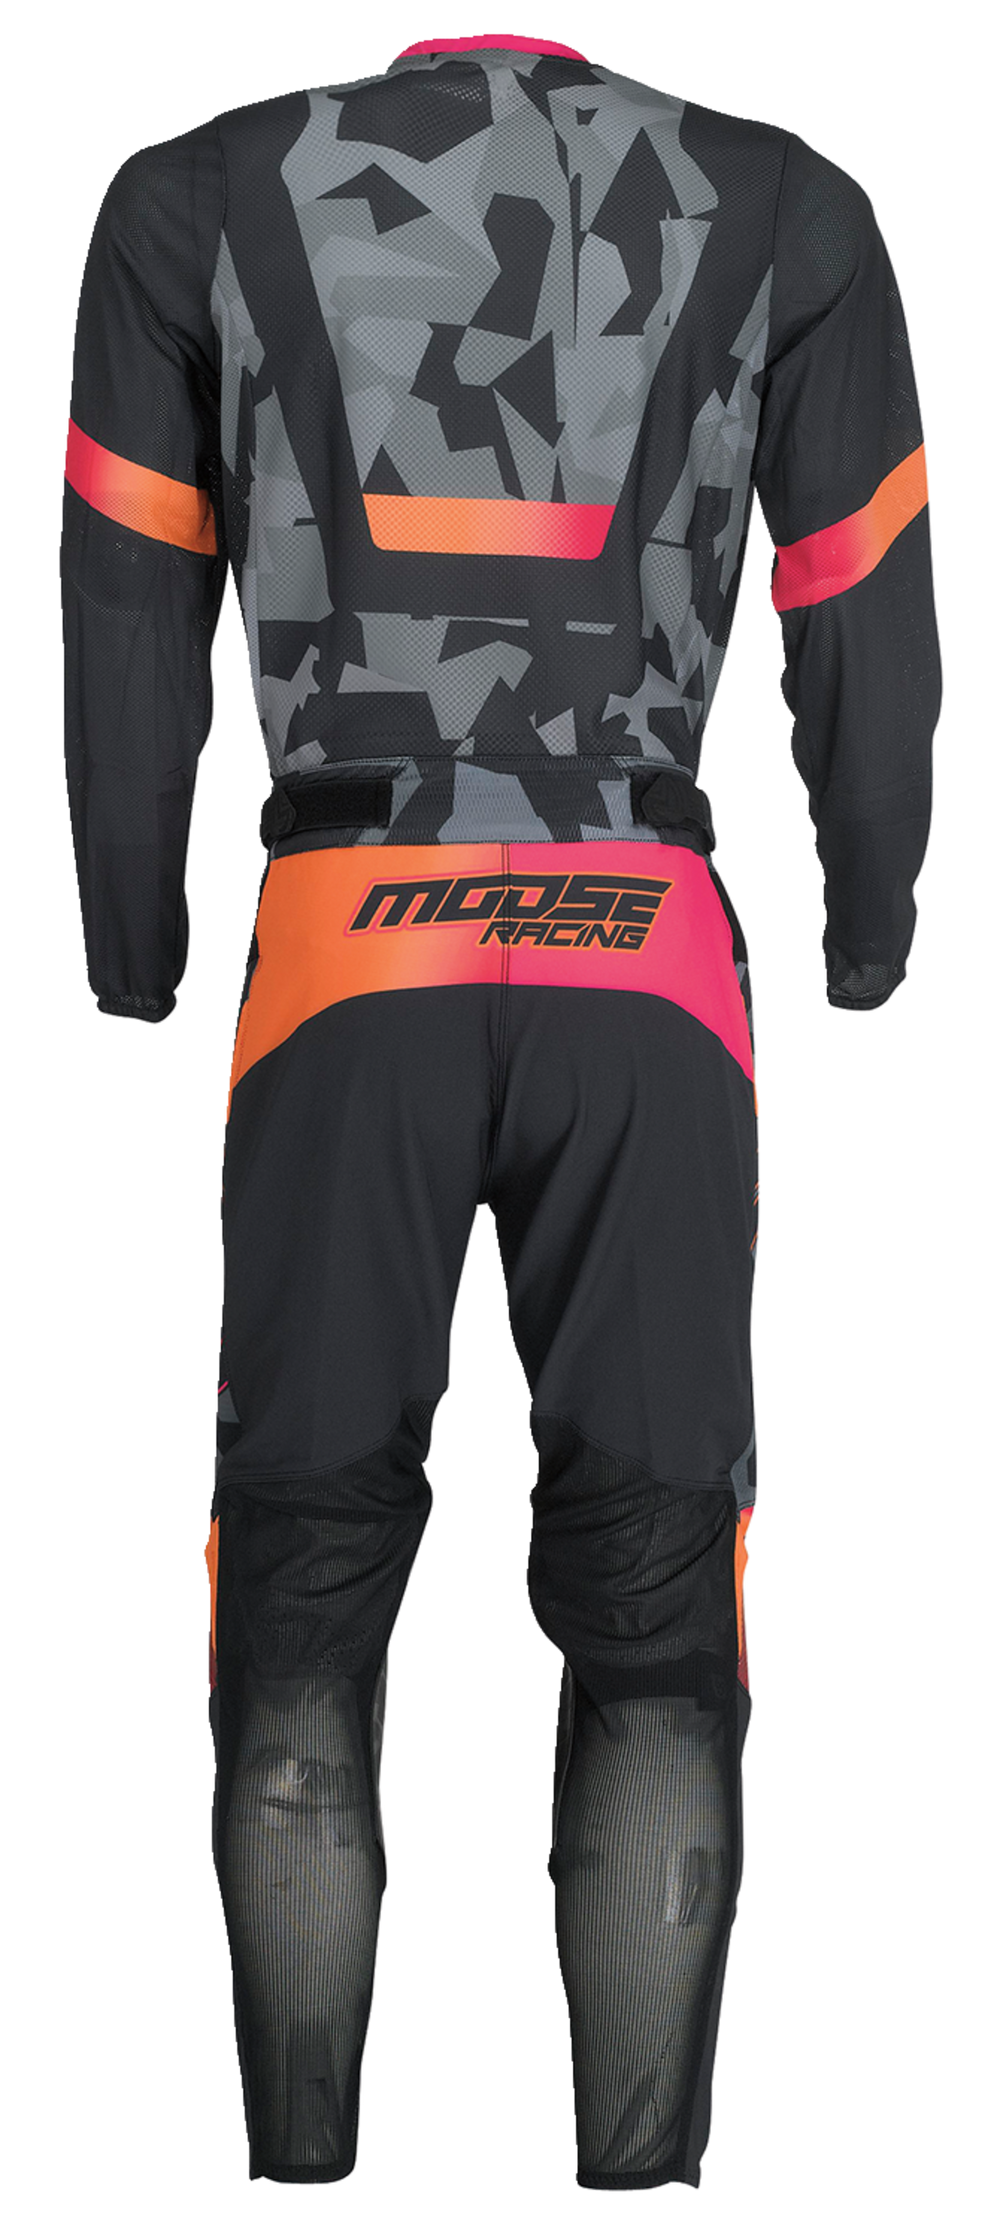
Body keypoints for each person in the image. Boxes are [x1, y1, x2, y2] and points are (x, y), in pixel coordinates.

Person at [60, 30, 943, 2191]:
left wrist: (132, 947)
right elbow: (865, 609)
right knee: (661, 1617)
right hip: (642, 948)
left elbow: (125, 616)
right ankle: (641, 2184)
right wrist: (869, 927)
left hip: (345, 950)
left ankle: (291, 2172)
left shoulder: (196, 197)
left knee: (295, 1592)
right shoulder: (788, 204)